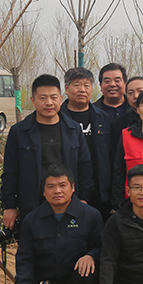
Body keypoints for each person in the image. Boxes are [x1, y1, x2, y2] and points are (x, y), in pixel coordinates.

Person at [11, 165, 102, 284]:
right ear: (43, 192)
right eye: (51, 186)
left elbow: (101, 246)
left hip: (77, 282)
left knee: (88, 275)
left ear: (72, 187)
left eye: (62, 185)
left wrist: (91, 255)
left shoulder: (91, 215)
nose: (57, 191)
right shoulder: (32, 220)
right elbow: (25, 260)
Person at [1, 74, 93, 228]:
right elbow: (10, 171)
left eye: (53, 97)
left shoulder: (73, 129)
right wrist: (9, 206)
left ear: (61, 99)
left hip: (69, 203)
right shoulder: (19, 131)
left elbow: (84, 166)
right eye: (43, 98)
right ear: (33, 100)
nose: (49, 103)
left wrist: (84, 199)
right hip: (32, 204)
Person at [60, 67, 112, 219]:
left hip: (100, 189)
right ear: (66, 89)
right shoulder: (58, 118)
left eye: (87, 85)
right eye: (77, 85)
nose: (82, 89)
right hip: (67, 188)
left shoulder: (102, 117)